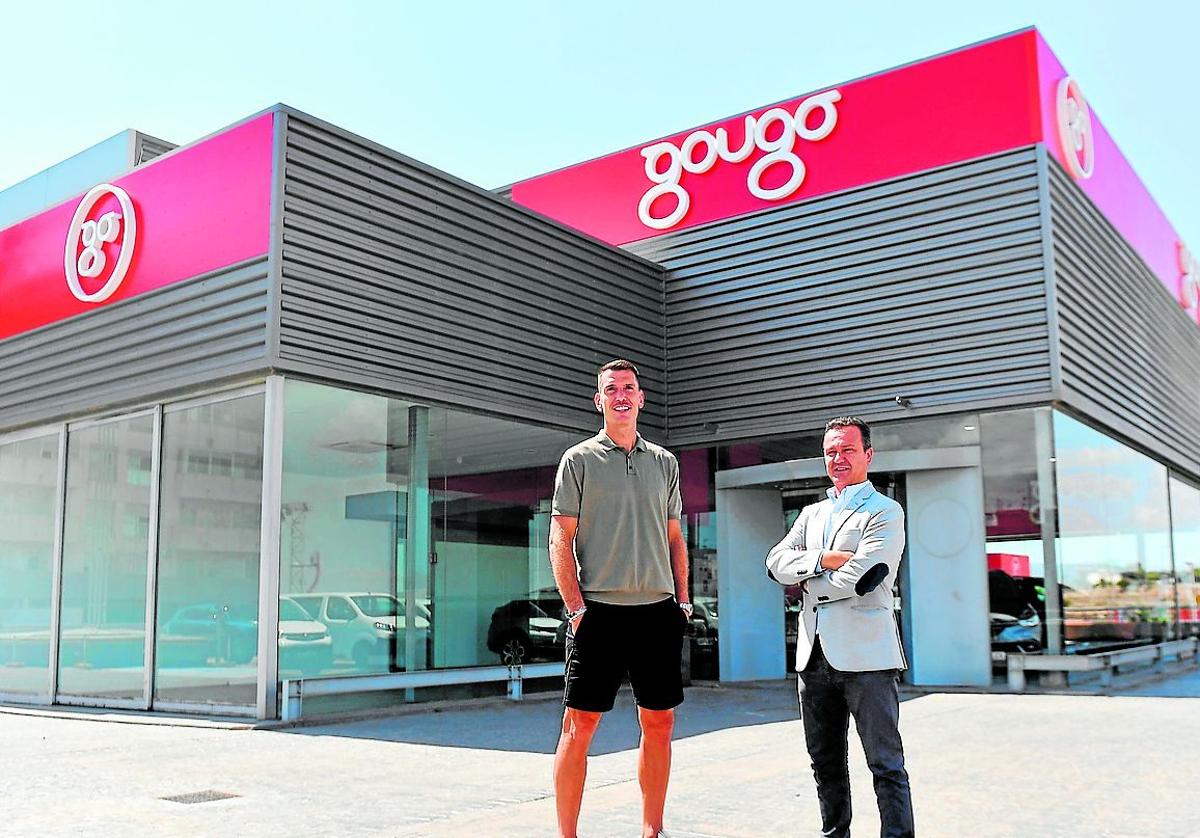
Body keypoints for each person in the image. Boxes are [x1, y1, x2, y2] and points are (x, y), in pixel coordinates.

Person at [549, 359, 690, 838]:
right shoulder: (579, 460)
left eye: (630, 387)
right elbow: (559, 536)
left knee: (660, 724)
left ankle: (653, 830)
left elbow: (675, 537)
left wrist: (684, 602)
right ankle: (567, 834)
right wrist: (575, 609)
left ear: (642, 398)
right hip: (599, 614)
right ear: (600, 401)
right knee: (579, 725)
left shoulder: (665, 463)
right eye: (613, 389)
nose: (622, 395)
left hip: (657, 611)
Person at [765, 416, 915, 838]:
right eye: (831, 451)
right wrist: (825, 559)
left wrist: (807, 579)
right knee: (825, 763)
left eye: (848, 449)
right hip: (813, 659)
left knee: (885, 764)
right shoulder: (811, 513)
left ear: (868, 454)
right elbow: (774, 563)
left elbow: (865, 576)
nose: (838, 458)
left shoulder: (885, 511)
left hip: (867, 657)